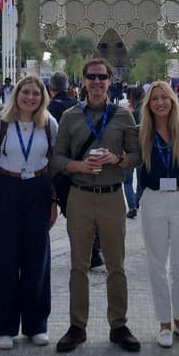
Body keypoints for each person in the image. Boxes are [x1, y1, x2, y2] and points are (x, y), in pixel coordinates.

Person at [51, 58, 142, 353]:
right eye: (91, 77)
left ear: (110, 80)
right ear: (84, 81)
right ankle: (78, 326)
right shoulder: (69, 116)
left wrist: (118, 160)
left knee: (116, 264)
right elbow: (57, 159)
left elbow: (137, 155)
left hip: (113, 196)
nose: (97, 82)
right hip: (79, 196)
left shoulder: (123, 116)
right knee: (79, 265)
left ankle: (119, 325)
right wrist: (78, 165)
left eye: (102, 77)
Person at [0, 76, 59, 349]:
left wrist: (53, 202)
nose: (30, 98)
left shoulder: (49, 124)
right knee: (4, 259)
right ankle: (3, 327)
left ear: (42, 97)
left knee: (37, 259)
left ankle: (36, 324)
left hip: (38, 190)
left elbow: (52, 167)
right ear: (17, 94)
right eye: (25, 92)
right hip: (7, 189)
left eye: (36, 94)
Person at [136, 81, 179, 348]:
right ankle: (163, 323)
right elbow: (128, 159)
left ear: (173, 100)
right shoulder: (141, 133)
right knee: (157, 265)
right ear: (148, 105)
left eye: (164, 98)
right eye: (154, 100)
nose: (160, 103)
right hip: (154, 201)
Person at [47, 71, 104, 270]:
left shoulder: (50, 109)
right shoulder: (76, 105)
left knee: (73, 215)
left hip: (64, 169)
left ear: (51, 89)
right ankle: (93, 248)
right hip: (83, 167)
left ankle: (88, 252)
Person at [123, 86, 146, 218]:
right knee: (141, 179)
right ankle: (137, 202)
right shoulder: (147, 110)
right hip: (144, 150)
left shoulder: (131, 113)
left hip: (130, 150)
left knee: (127, 181)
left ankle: (132, 206)